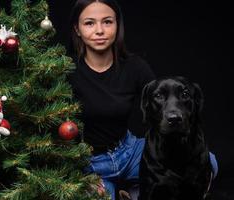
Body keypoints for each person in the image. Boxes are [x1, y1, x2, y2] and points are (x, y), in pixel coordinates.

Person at [67, 0, 218, 199]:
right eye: (89, 23)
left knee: (210, 162)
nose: (100, 30)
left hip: (129, 151)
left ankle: (138, 189)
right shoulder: (67, 70)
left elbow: (161, 101)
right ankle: (132, 192)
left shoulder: (134, 66)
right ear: (77, 29)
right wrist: (82, 174)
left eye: (107, 22)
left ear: (117, 25)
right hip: (91, 161)